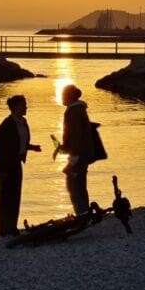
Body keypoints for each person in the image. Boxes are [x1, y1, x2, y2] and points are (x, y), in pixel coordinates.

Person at [0, 94, 41, 236]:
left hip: (17, 162)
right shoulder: (7, 124)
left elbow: (19, 142)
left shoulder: (23, 122)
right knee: (6, 197)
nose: (26, 107)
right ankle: (4, 229)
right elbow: (2, 147)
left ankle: (12, 227)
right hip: (6, 165)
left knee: (15, 196)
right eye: (23, 104)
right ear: (16, 107)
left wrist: (31, 147)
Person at [60, 84, 97, 217]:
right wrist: (65, 146)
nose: (61, 97)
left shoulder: (74, 112)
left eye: (63, 94)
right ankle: (84, 212)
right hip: (83, 153)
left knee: (75, 185)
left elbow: (76, 135)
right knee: (79, 184)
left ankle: (82, 214)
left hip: (79, 155)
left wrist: (74, 156)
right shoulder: (78, 110)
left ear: (69, 96)